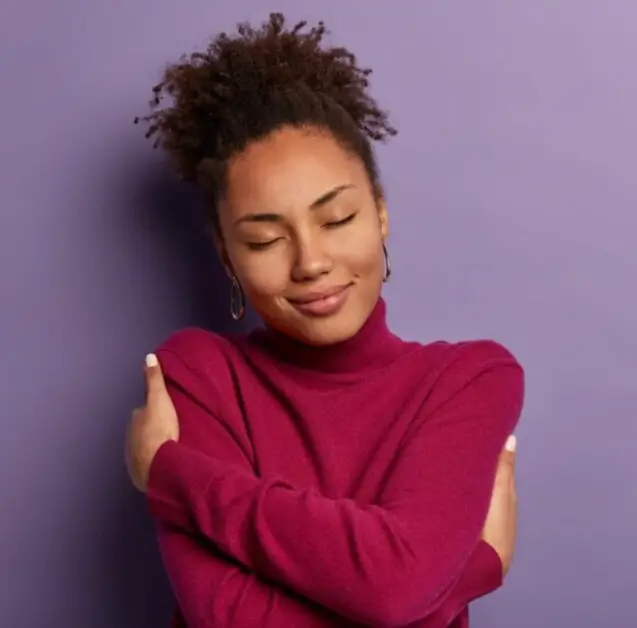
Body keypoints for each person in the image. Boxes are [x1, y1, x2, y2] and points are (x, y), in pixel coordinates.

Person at [125, 13, 524, 628]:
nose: (311, 262)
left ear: (380, 214)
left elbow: (396, 586)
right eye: (263, 241)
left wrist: (174, 475)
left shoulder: (471, 378)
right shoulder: (196, 375)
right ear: (225, 253)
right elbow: (231, 619)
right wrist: (475, 570)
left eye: (336, 220)